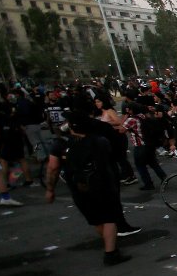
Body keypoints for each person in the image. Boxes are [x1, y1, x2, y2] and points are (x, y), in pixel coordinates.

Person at [44, 112, 130, 265]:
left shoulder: (60, 144)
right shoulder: (100, 141)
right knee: (109, 218)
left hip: (79, 187)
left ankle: (110, 247)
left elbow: (52, 168)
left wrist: (50, 189)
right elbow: (112, 158)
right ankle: (111, 252)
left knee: (96, 219)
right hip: (102, 184)